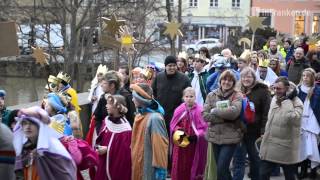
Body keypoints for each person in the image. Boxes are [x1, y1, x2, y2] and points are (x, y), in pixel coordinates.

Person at [13, 106, 76, 179]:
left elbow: (65, 174)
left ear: (40, 126)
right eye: (25, 123)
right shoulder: (24, 149)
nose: (28, 127)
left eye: (32, 123)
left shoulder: (53, 148)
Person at [259, 77, 303, 180]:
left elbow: (293, 119)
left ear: (287, 89)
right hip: (270, 145)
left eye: (279, 89)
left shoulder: (297, 103)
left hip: (286, 147)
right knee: (262, 175)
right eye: (274, 88)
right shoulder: (274, 98)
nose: (276, 91)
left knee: (290, 176)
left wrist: (287, 101)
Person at [203, 70, 244, 180]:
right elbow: (205, 115)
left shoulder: (237, 95)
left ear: (233, 83)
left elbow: (234, 113)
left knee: (222, 168)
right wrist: (225, 118)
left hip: (231, 136)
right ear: (220, 80)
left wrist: (215, 111)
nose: (227, 82)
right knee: (221, 170)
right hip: (214, 136)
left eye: (230, 80)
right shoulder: (211, 95)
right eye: (224, 79)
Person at [232, 67, 271, 180]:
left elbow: (266, 112)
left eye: (249, 76)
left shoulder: (262, 91)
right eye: (244, 76)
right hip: (239, 130)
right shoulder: (237, 90)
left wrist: (263, 130)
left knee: (255, 159)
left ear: (254, 78)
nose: (246, 79)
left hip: (254, 131)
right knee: (238, 160)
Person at [131, 83, 168, 180]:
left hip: (148, 168)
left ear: (140, 99)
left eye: (134, 97)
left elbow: (160, 148)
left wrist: (160, 172)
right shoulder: (139, 115)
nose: (132, 99)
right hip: (138, 165)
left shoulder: (155, 119)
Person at [170, 87, 208, 180]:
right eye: (186, 96)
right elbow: (173, 124)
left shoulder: (200, 110)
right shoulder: (179, 109)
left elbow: (205, 127)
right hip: (181, 142)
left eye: (191, 96)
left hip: (194, 144)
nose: (189, 98)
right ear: (183, 98)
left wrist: (197, 136)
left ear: (195, 97)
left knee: (191, 163)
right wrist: (179, 130)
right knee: (180, 163)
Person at [95, 94, 132, 180]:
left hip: (115, 166)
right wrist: (98, 147)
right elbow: (100, 138)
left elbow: (124, 155)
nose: (106, 106)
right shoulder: (107, 120)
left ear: (117, 107)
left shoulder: (125, 129)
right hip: (103, 162)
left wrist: (107, 150)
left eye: (109, 104)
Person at [152, 55, 191, 133]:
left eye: (174, 65)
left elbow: (188, 95)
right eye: (170, 66)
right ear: (165, 66)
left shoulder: (184, 78)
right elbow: (154, 93)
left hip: (178, 116)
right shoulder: (159, 77)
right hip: (161, 115)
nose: (172, 68)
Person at [297, 68, 320, 179]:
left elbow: (317, 108)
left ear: (312, 78)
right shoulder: (298, 89)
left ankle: (313, 170)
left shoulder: (316, 90)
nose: (305, 78)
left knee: (312, 147)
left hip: (312, 122)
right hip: (301, 121)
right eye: (303, 75)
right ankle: (303, 169)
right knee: (302, 147)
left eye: (307, 76)